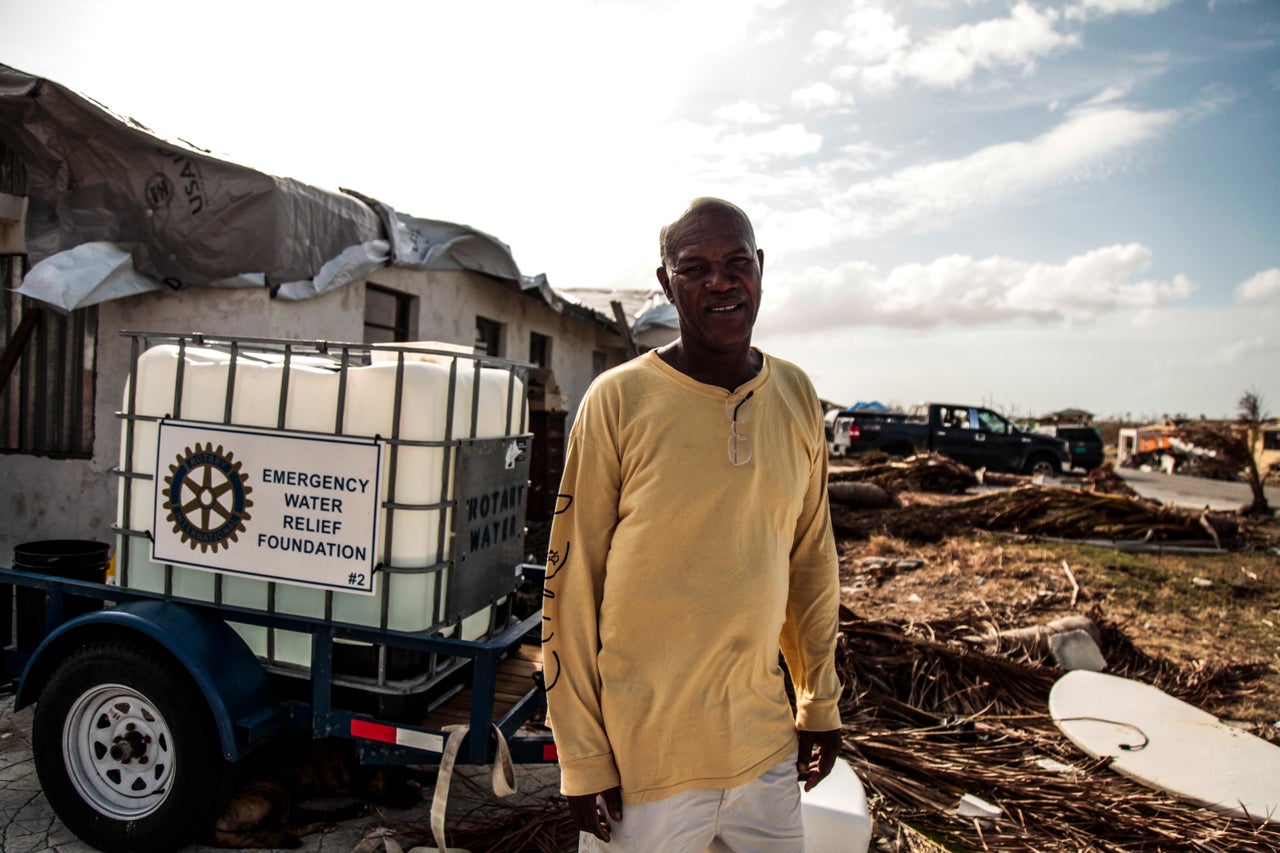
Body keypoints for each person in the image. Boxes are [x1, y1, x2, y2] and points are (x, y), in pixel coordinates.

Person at [541, 198, 843, 851]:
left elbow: (811, 561)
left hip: (764, 749)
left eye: (737, 263)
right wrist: (582, 755)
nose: (720, 281)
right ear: (665, 283)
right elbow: (571, 588)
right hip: (642, 764)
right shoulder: (618, 401)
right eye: (695, 267)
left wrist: (819, 700)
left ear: (760, 268)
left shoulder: (795, 395)